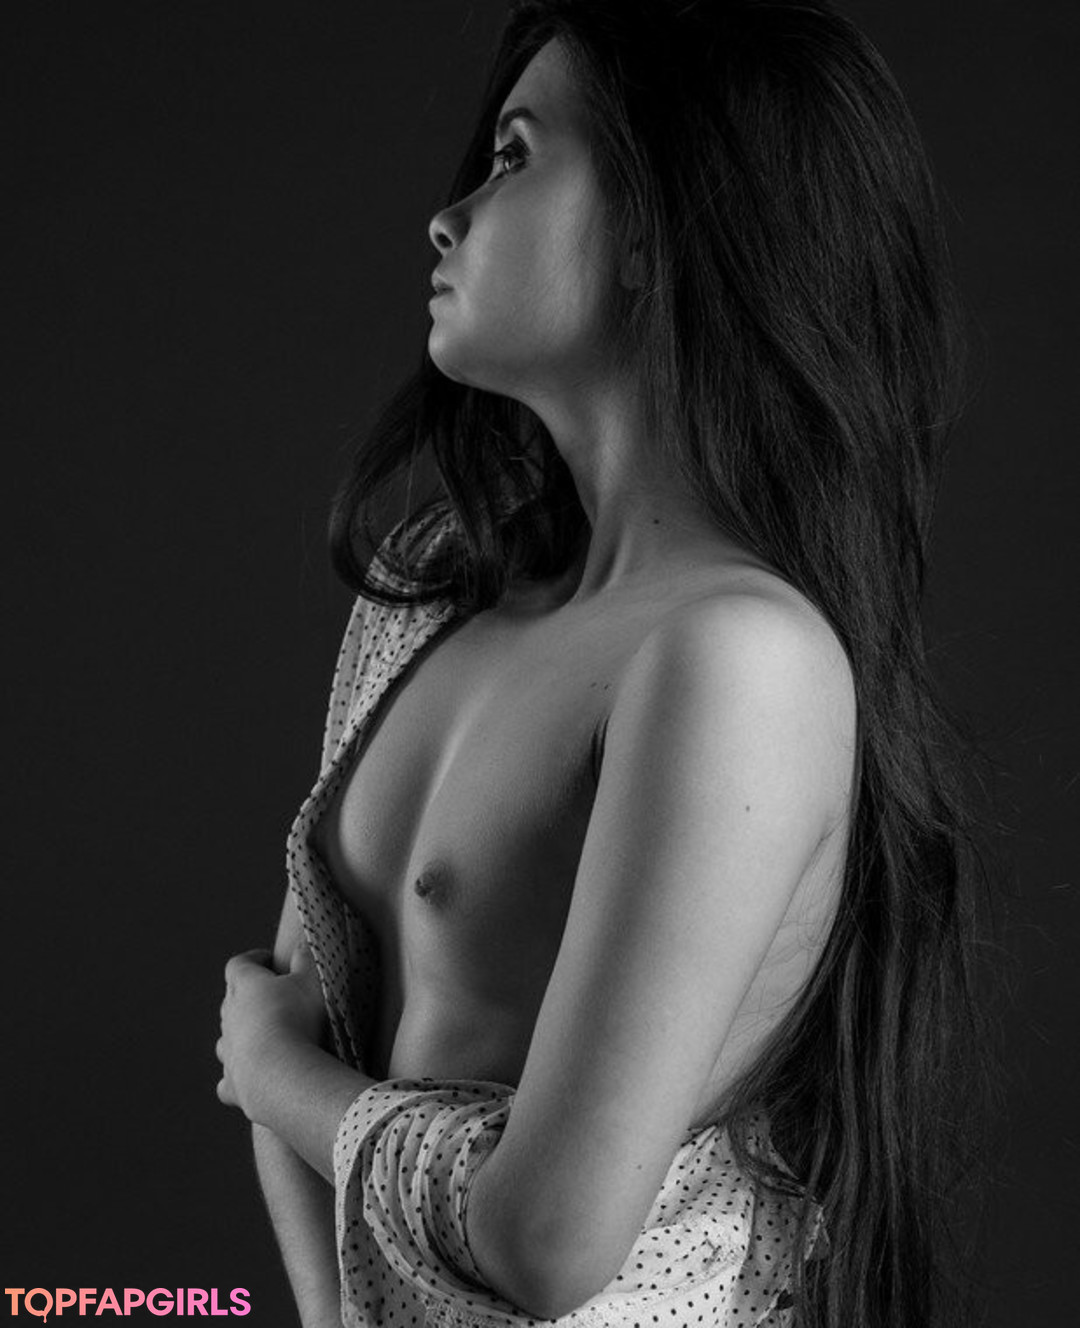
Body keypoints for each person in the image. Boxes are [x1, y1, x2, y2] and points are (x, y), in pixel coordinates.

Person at [215, 2, 988, 1324]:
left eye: (515, 157)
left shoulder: (738, 660)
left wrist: (279, 1076)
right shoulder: (433, 588)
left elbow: (549, 1237)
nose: (446, 217)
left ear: (654, 231)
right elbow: (301, 1012)